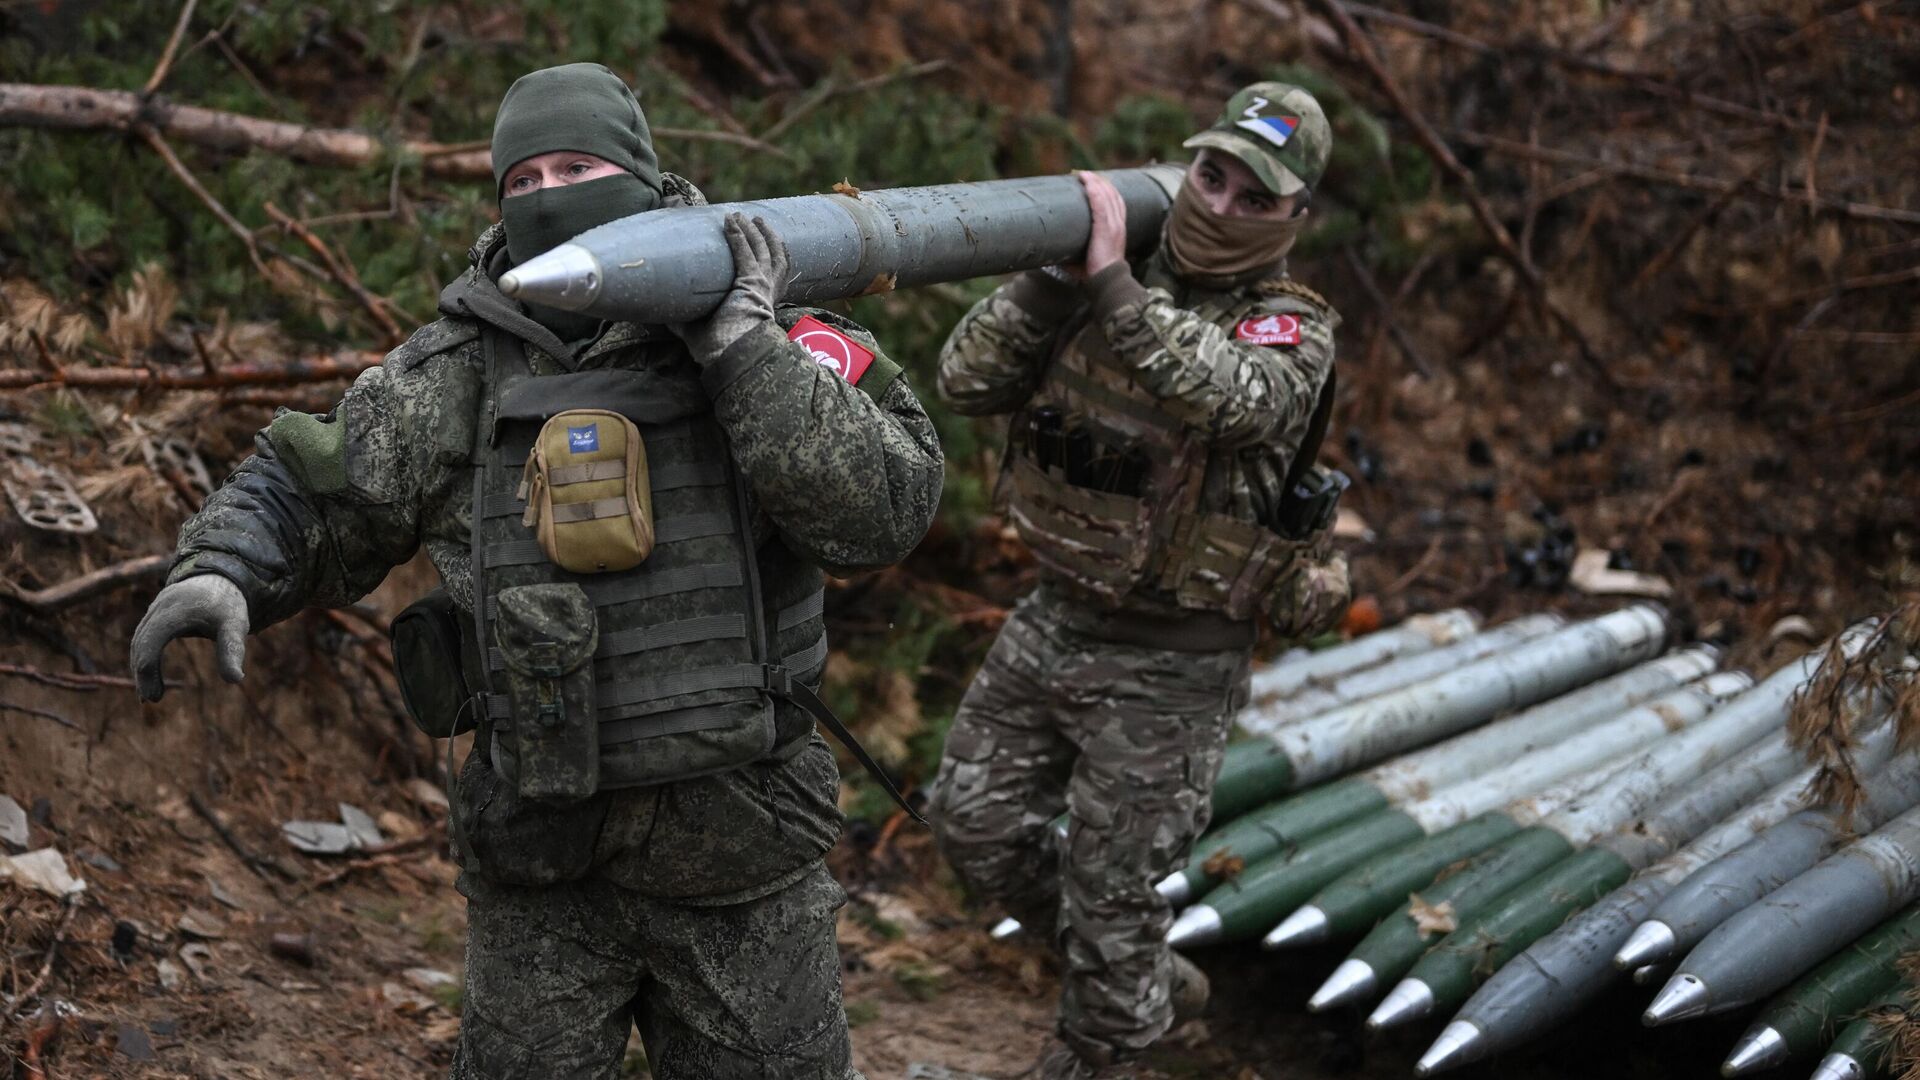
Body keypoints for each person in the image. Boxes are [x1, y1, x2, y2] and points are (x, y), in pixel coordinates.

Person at [129, 62, 944, 1080]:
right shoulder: (461, 369)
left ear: (644, 179)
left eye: (579, 165)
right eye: (524, 180)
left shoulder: (776, 319)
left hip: (744, 860)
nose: (552, 196)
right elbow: (316, 487)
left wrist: (745, 353)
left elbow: (888, 508)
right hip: (542, 868)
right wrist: (222, 569)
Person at [927, 82, 1352, 1079]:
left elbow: (1226, 397)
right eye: (1212, 176)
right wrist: (1047, 280)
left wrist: (1114, 281)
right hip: (1057, 615)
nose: (1222, 205)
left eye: (1258, 196)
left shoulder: (1292, 328)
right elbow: (966, 381)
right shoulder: (1097, 280)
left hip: (1174, 659)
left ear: (1296, 217)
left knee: (1114, 885)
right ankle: (1137, 976)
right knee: (972, 825)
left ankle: (1105, 1044)